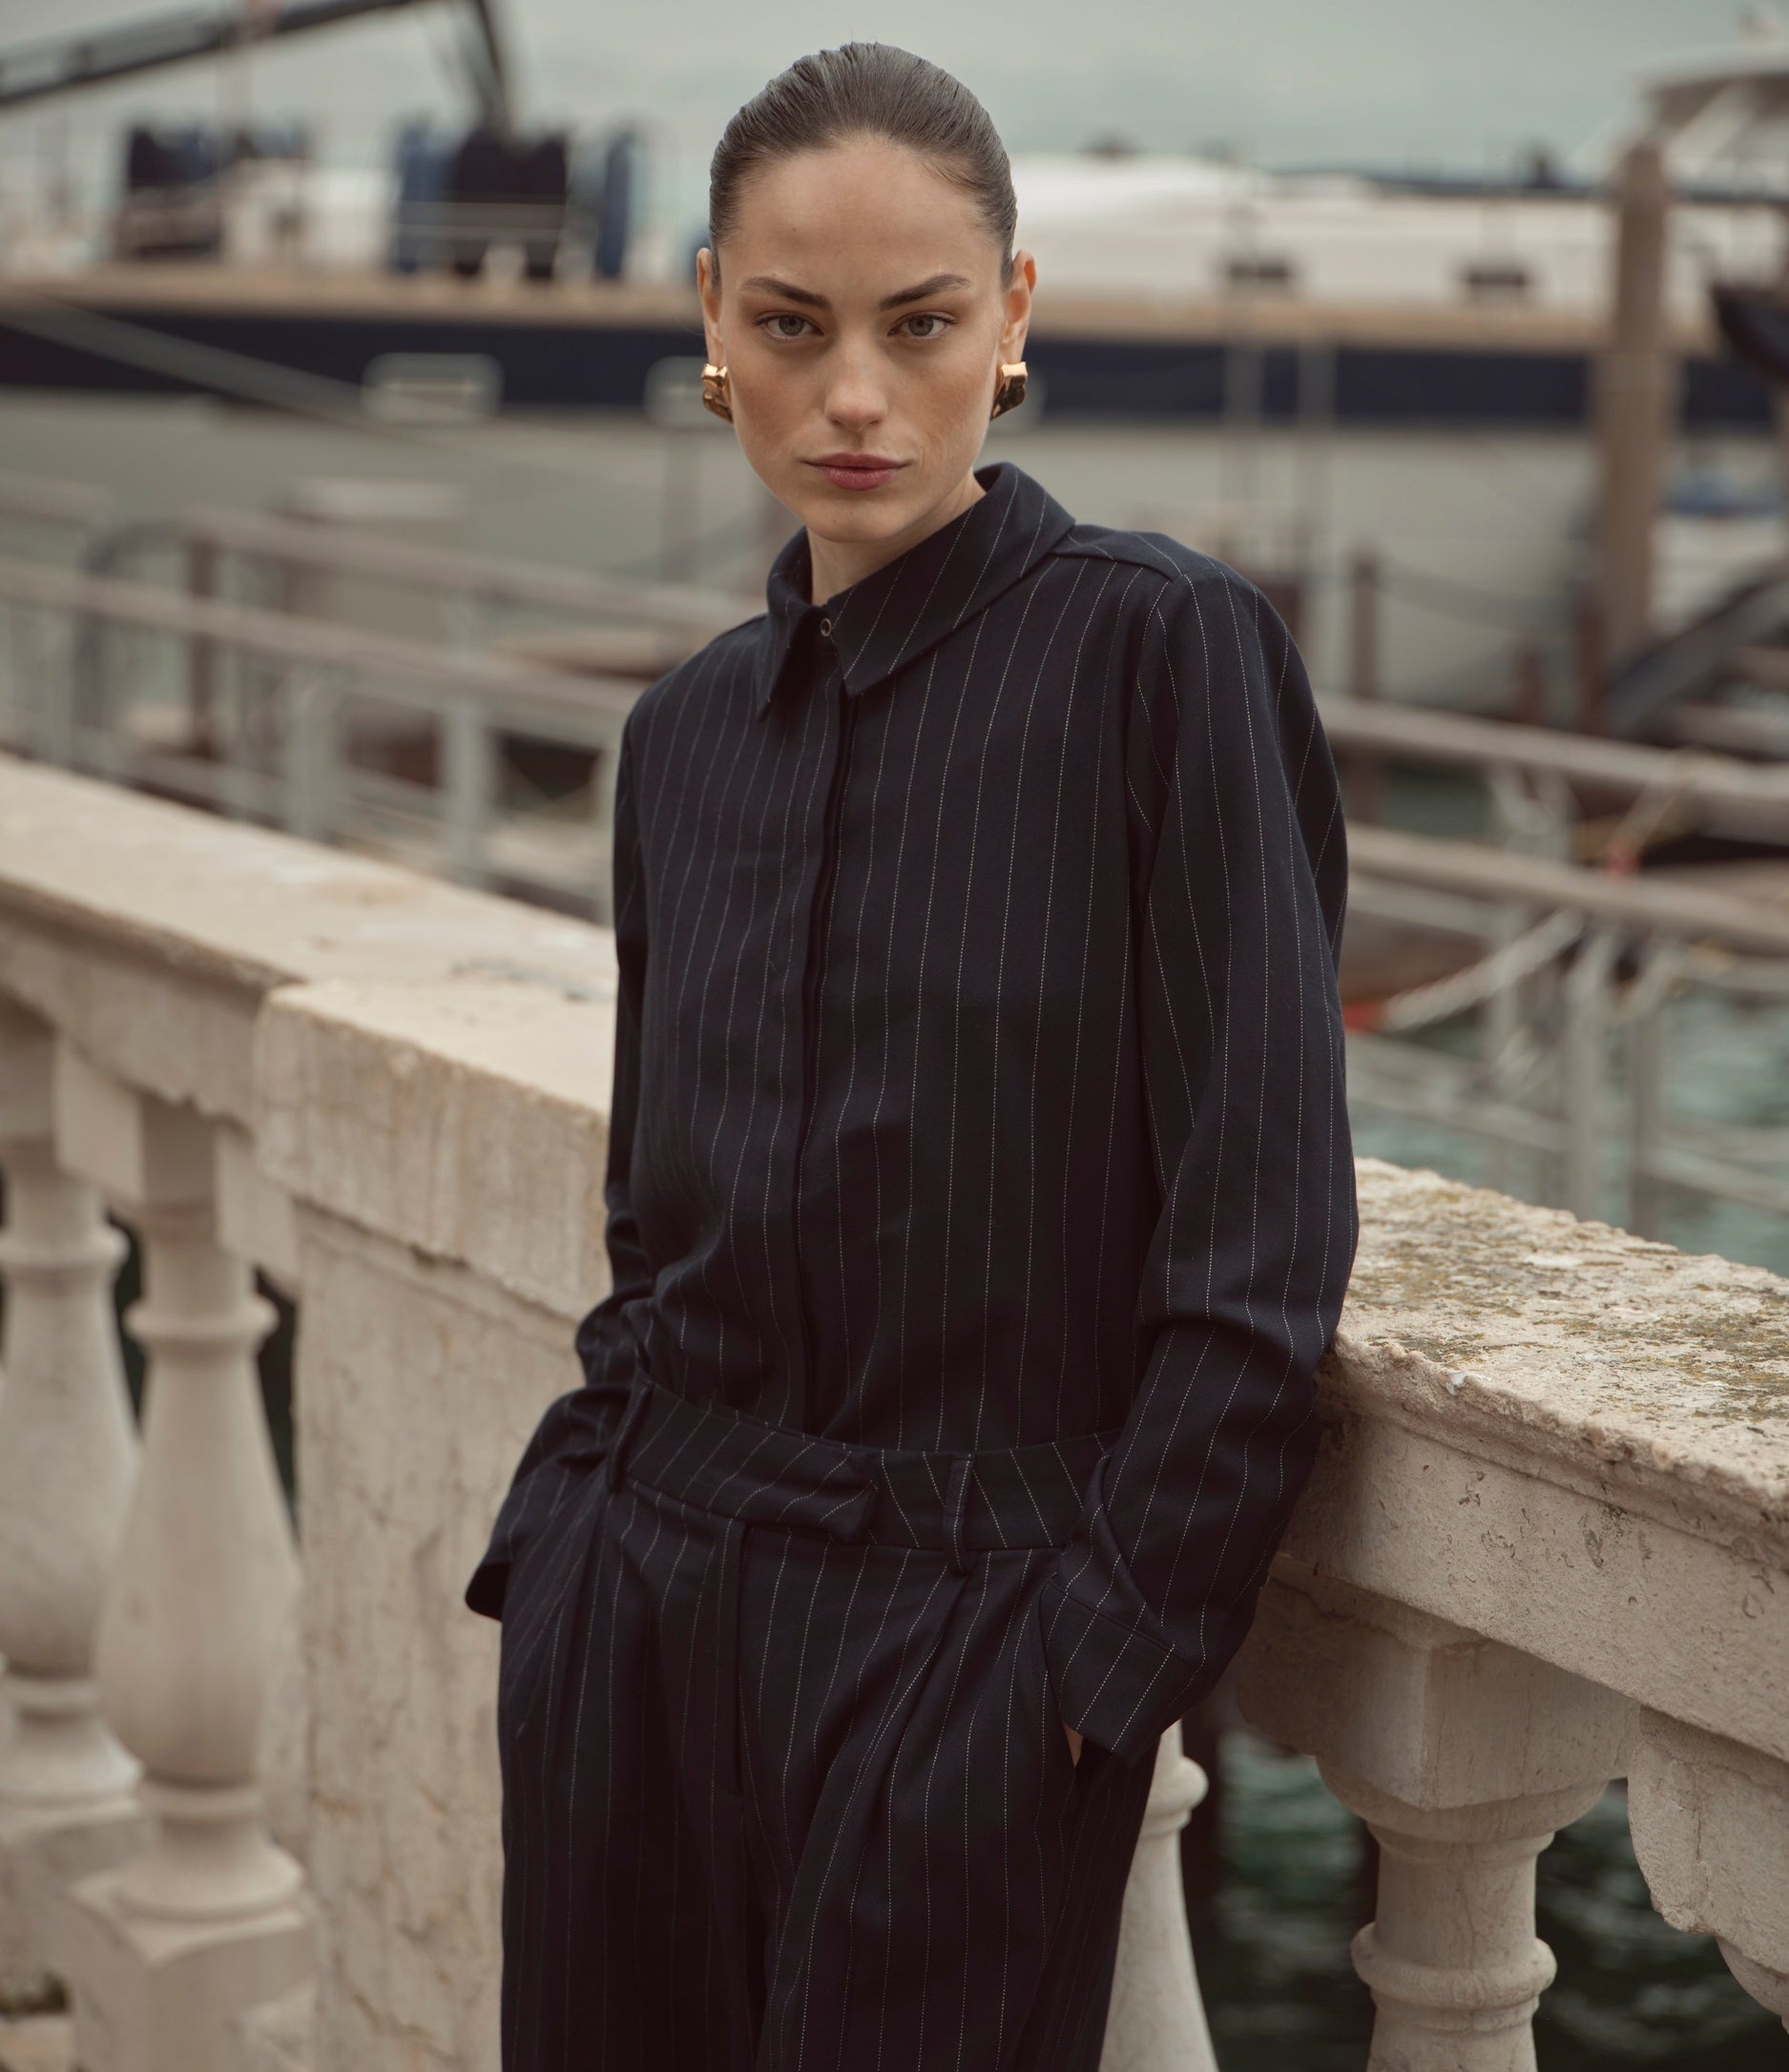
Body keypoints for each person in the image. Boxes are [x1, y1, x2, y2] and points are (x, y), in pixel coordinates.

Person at [464, 41, 1357, 2072]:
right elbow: (653, 1214)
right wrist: (571, 1546)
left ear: (1011, 317)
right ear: (712, 317)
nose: (853, 396)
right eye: (791, 326)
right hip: (641, 1608)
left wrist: (1094, 1665)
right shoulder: (681, 740)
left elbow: (1258, 1233)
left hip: (971, 1646)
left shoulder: (1159, 653)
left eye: (919, 325)